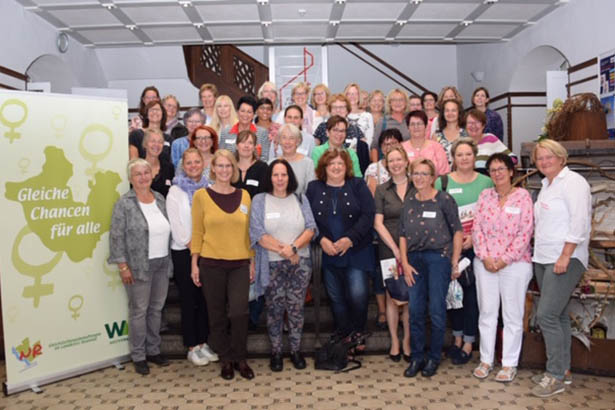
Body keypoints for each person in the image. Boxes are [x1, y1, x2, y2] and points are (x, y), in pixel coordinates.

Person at [530, 139, 591, 398]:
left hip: (565, 257)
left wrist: (566, 255)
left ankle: (553, 374)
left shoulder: (573, 182)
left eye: (549, 157)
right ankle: (563, 370)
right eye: (540, 158)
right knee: (560, 315)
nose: (544, 162)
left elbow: (579, 221)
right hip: (543, 258)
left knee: (546, 316)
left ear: (561, 157)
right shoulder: (546, 185)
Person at [190, 149, 255, 380]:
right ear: (213, 169)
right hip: (211, 264)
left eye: (229, 166)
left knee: (239, 312)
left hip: (239, 263)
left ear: (234, 169)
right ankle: (226, 359)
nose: (224, 170)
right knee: (216, 315)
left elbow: (249, 233)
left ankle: (240, 357)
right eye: (220, 166)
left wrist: (252, 261)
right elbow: (197, 231)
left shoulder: (245, 195)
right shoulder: (201, 196)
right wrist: (194, 263)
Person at [250, 159, 317, 372]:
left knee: (296, 309)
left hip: (300, 263)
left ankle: (295, 350)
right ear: (269, 177)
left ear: (290, 177)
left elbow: (311, 228)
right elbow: (258, 234)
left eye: (284, 175)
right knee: (275, 309)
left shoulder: (300, 198)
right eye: (276, 175)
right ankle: (276, 352)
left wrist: (294, 248)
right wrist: (286, 251)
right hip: (271, 264)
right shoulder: (260, 200)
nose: (280, 179)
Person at [471, 153, 533, 383]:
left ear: (510, 172)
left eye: (501, 169)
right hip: (485, 263)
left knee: (512, 315)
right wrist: (486, 257)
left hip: (515, 264)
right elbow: (477, 229)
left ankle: (509, 363)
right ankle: (486, 360)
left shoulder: (523, 197)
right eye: (493, 170)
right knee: (487, 312)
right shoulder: (485, 196)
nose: (497, 173)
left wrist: (505, 259)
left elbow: (525, 232)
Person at [108, 158, 172, 375]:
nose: (143, 177)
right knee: (139, 311)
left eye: (146, 172)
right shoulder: (125, 203)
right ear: (130, 179)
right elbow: (116, 237)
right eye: (138, 174)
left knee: (156, 310)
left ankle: (153, 351)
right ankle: (138, 355)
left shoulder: (161, 198)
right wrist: (123, 266)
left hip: (162, 263)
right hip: (138, 266)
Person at [400, 158, 463, 378]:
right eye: (415, 173)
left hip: (439, 259)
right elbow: (402, 235)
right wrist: (405, 263)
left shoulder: (444, 200)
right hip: (414, 261)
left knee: (436, 311)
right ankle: (417, 357)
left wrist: (454, 260)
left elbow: (457, 231)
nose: (419, 178)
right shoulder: (409, 201)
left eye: (424, 174)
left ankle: (434, 358)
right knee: (415, 311)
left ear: (433, 177)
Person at [306, 149, 375, 347]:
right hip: (329, 253)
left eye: (340, 164)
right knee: (336, 298)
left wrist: (350, 239)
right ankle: (344, 336)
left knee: (358, 295)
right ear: (324, 168)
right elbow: (308, 218)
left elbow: (368, 215)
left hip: (356, 250)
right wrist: (321, 239)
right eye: (331, 164)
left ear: (347, 167)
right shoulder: (313, 188)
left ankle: (358, 334)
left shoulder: (358, 185)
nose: (336, 167)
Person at [434, 138, 493, 365]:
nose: (464, 158)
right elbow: (437, 215)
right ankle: (456, 337)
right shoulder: (443, 182)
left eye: (468, 154)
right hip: (449, 249)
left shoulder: (486, 183)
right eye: (460, 155)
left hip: (476, 249)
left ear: (475, 156)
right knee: (452, 295)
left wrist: (474, 239)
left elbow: (492, 216)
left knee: (470, 296)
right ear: (453, 158)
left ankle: (469, 341)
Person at [166, 148, 219, 366]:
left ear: (203, 164)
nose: (194, 166)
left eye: (197, 162)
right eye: (189, 163)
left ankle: (203, 342)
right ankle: (191, 346)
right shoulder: (175, 191)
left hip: (207, 252)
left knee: (204, 300)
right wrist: (194, 248)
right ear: (183, 165)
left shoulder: (210, 188)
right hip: (185, 252)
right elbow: (177, 228)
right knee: (189, 300)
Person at [374, 146, 413, 363]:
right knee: (392, 296)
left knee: (409, 298)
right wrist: (397, 250)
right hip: (389, 249)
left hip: (415, 248)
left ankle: (407, 340)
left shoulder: (418, 186)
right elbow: (378, 223)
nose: (396, 164)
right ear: (387, 165)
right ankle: (394, 341)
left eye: (399, 159)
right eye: (392, 161)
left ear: (406, 162)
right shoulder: (381, 190)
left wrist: (406, 251)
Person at [465, 109, 517, 174]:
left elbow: (513, 158)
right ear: (465, 126)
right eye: (470, 122)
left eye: (477, 122)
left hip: (489, 181)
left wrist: (496, 166)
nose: (473, 125)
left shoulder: (490, 139)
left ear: (483, 125)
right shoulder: (462, 143)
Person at [219, 96, 270, 160]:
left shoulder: (262, 133)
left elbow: (264, 158)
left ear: (254, 115)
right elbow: (220, 155)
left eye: (249, 112)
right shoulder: (226, 132)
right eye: (242, 111)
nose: (245, 115)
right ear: (237, 112)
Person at [401, 111, 450, 177]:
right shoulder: (402, 148)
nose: (416, 127)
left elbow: (444, 173)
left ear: (426, 126)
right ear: (408, 128)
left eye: (419, 123)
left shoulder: (436, 147)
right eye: (412, 124)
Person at [270, 123, 315, 195]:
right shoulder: (271, 163)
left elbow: (311, 193)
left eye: (291, 138)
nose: (287, 142)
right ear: (279, 141)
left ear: (298, 141)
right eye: (284, 138)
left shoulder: (308, 164)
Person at [371, 88, 410, 162]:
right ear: (389, 103)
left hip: (407, 162)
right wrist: (376, 166)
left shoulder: (410, 121)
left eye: (401, 100)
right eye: (394, 100)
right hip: (387, 163)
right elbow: (374, 146)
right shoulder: (383, 122)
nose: (397, 103)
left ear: (406, 103)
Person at [365, 129, 403, 195]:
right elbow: (373, 195)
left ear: (401, 145)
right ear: (381, 148)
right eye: (386, 144)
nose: (390, 147)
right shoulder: (373, 169)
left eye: (393, 143)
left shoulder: (407, 166)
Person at [233, 130, 268, 199]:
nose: (246, 146)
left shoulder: (263, 168)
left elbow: (264, 195)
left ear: (254, 146)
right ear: (237, 146)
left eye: (250, 143)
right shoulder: (230, 168)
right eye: (243, 142)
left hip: (255, 208)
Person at [142, 129, 174, 198]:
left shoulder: (169, 168)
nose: (156, 145)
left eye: (160, 142)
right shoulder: (136, 168)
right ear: (145, 144)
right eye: (153, 141)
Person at [434, 99, 468, 165]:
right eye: (447, 110)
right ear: (443, 114)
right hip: (442, 174)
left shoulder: (467, 134)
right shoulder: (436, 135)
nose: (450, 113)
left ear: (459, 113)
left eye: (453, 110)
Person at [345, 83, 374, 147]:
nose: (352, 96)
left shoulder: (367, 116)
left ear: (359, 96)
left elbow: (369, 140)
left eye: (355, 93)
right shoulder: (341, 116)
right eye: (349, 94)